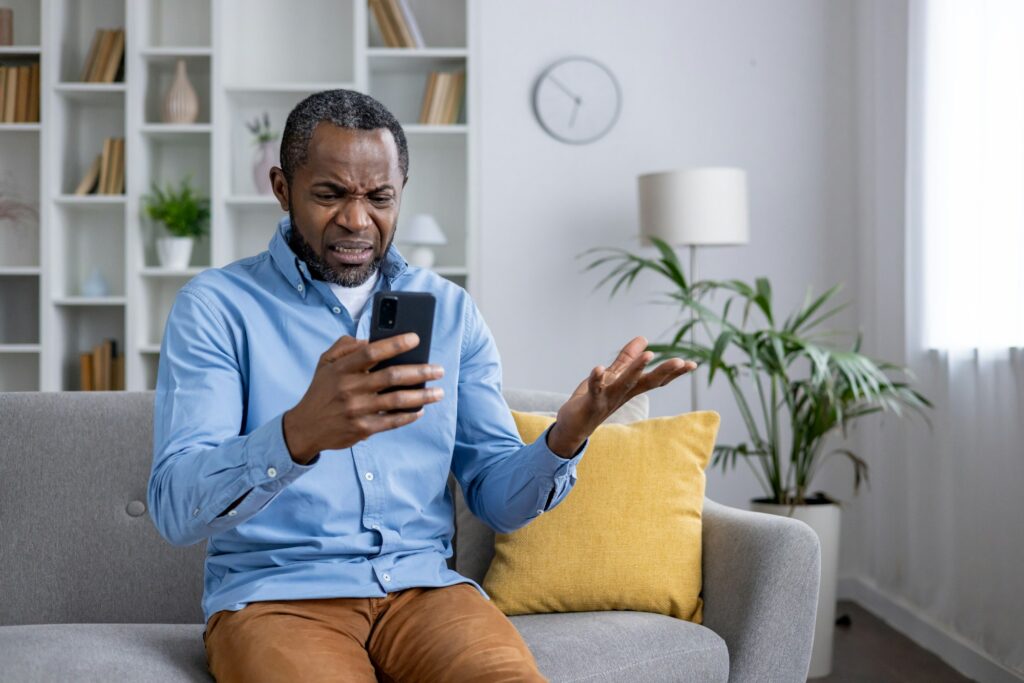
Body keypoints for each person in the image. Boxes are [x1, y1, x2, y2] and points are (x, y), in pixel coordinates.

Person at [148, 89, 695, 682]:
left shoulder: (450, 312)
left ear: (400, 190)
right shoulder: (217, 307)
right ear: (283, 189)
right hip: (278, 597)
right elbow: (176, 508)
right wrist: (298, 433)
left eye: (379, 197)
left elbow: (496, 498)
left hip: (425, 593)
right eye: (330, 194)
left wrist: (566, 436)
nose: (358, 220)